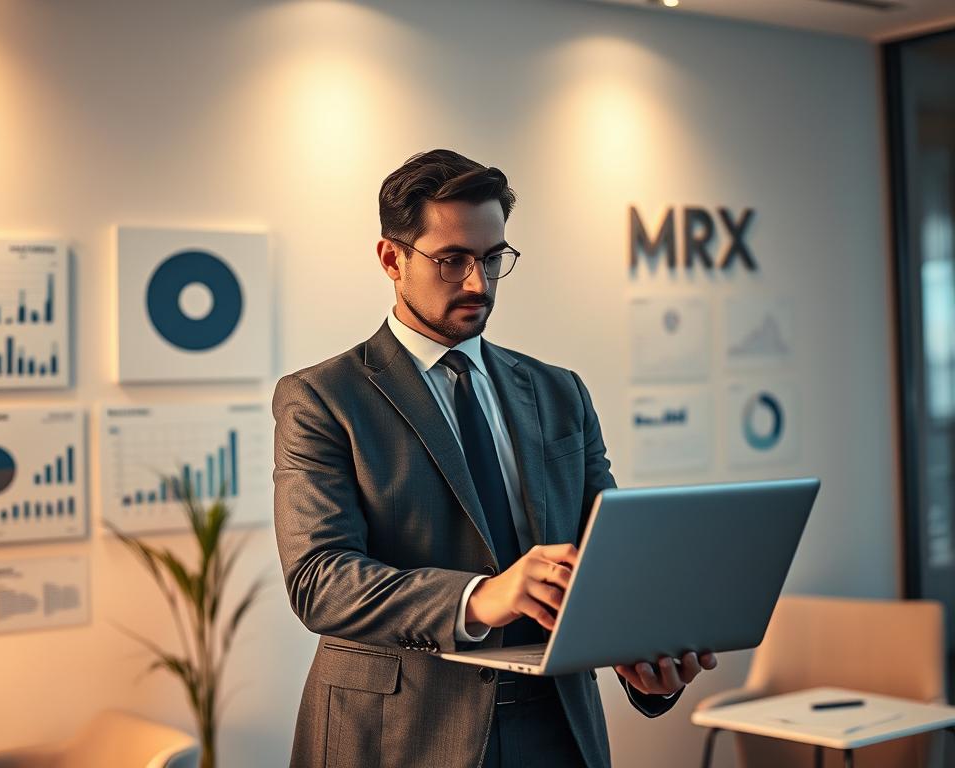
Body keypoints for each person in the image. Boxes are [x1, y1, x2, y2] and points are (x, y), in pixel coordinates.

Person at [272, 149, 717, 768]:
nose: (479, 283)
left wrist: (644, 661)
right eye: (452, 260)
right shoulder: (322, 398)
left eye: (491, 258)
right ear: (392, 259)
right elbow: (320, 580)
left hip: (556, 722)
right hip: (401, 732)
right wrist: (480, 597)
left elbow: (606, 554)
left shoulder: (561, 391)